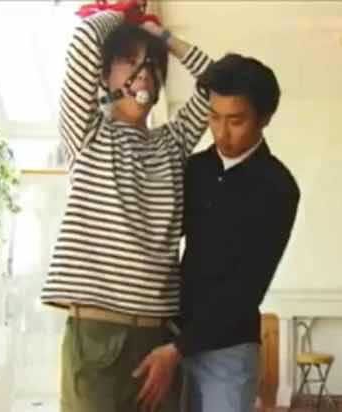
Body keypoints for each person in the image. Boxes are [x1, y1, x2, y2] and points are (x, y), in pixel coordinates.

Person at [39, 1, 213, 411]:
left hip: (159, 342)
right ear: (104, 76)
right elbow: (85, 40)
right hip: (96, 337)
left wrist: (164, 39)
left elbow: (218, 81)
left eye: (150, 66)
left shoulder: (172, 144)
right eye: (128, 62)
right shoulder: (87, 132)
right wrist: (125, 11)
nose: (143, 74)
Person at [134, 53, 300, 412]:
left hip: (228, 352)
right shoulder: (192, 170)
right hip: (169, 338)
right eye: (213, 117)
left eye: (236, 121)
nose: (221, 132)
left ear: (265, 117)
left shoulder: (278, 187)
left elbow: (247, 289)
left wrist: (177, 349)